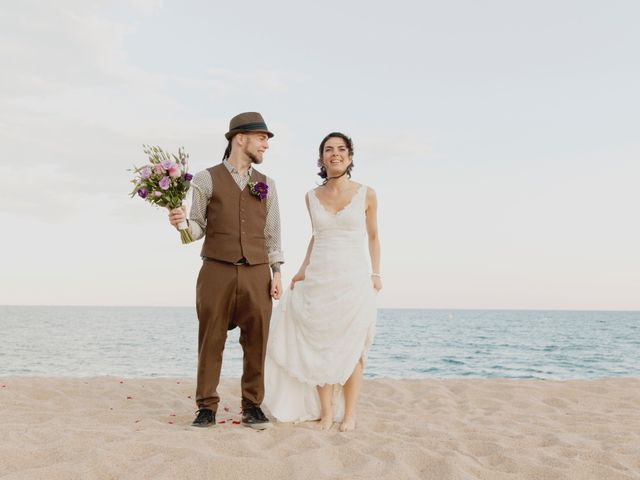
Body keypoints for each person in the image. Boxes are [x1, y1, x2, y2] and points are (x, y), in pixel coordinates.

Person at [168, 112, 283, 429]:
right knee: (210, 340)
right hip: (216, 271)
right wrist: (180, 224)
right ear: (240, 138)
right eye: (262, 138)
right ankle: (206, 406)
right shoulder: (206, 179)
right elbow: (197, 229)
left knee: (257, 341)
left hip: (258, 272)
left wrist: (277, 274)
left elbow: (273, 234)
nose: (266, 145)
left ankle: (252, 406)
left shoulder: (267, 185)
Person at [264, 132, 381, 432]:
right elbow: (316, 236)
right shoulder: (310, 196)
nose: (335, 154)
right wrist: (302, 270)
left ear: (350, 157)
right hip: (320, 278)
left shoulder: (366, 193)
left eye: (341, 149)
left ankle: (350, 414)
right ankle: (327, 413)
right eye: (329, 150)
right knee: (320, 346)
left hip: (353, 280)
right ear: (321, 158)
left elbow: (373, 236)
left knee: (354, 348)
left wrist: (376, 273)